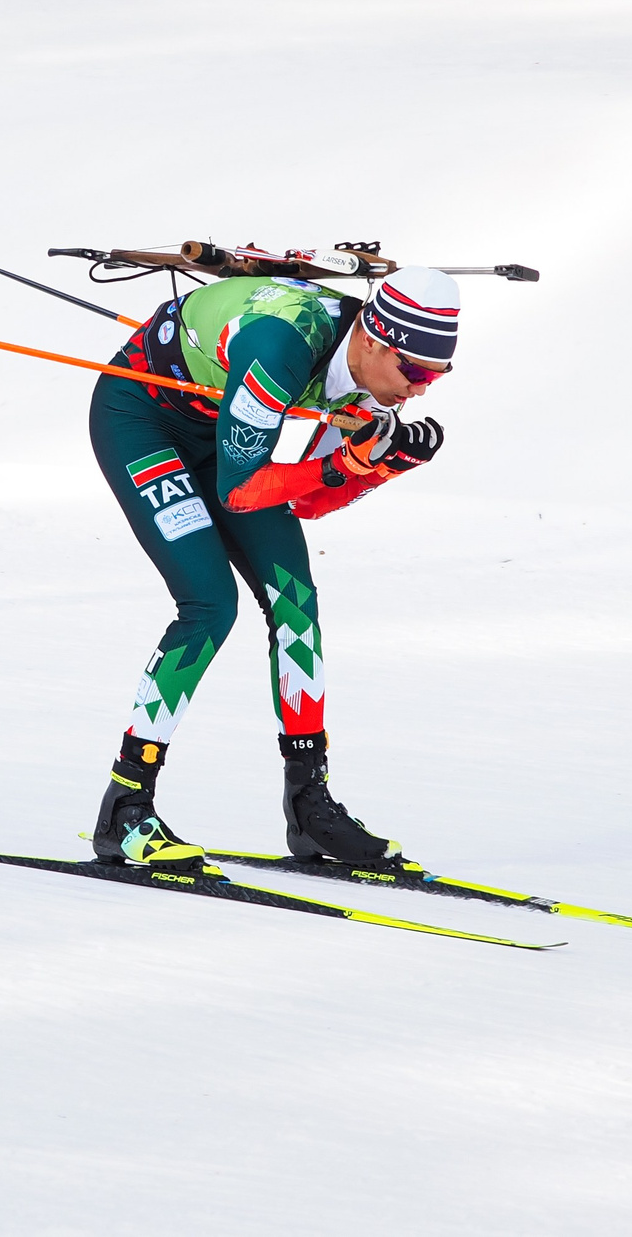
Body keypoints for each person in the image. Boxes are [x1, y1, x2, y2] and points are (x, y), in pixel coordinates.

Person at [85, 266, 460, 871]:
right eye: (414, 371)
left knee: (295, 599)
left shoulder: (370, 380)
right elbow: (243, 492)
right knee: (210, 603)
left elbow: (309, 502)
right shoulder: (278, 348)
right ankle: (126, 805)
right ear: (372, 338)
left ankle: (309, 803)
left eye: (436, 376)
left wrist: (382, 465)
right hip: (141, 421)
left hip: (220, 436)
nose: (419, 391)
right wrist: (349, 465)